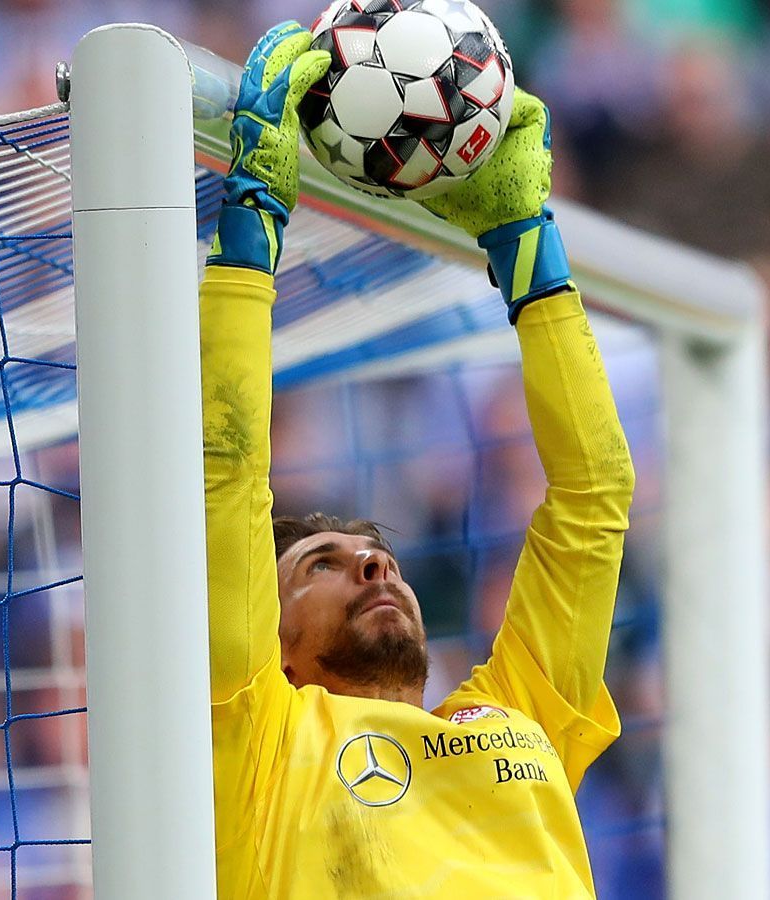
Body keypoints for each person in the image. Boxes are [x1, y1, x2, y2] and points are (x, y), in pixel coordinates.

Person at [203, 22, 634, 896]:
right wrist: (250, 232)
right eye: (319, 566)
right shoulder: (258, 734)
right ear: (272, 644)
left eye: (379, 558)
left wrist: (529, 251)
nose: (374, 563)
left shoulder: (519, 715)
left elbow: (595, 494)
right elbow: (227, 471)